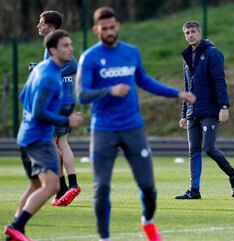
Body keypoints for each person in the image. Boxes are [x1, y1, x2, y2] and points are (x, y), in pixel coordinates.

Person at [76, 7, 196, 241]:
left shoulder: (131, 53)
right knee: (101, 188)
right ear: (96, 30)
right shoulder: (89, 57)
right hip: (104, 130)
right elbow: (81, 94)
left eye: (112, 27)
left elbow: (145, 81)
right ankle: (104, 237)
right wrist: (110, 90)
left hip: (133, 127)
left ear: (118, 26)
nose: (109, 32)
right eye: (104, 28)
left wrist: (177, 93)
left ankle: (147, 221)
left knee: (148, 187)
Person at [4, 30, 83, 241]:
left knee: (36, 185)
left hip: (27, 134)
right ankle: (16, 226)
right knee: (52, 185)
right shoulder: (49, 77)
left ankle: (14, 231)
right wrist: (67, 120)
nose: (71, 49)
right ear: (52, 50)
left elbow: (23, 98)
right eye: (65, 46)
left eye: (70, 44)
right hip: (38, 138)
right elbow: (39, 112)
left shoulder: (39, 69)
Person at [175, 20, 234, 200]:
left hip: (210, 110)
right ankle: (194, 190)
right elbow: (187, 87)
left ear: (200, 33)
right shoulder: (187, 57)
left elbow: (219, 80)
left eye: (193, 31)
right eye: (187, 32)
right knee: (193, 151)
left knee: (209, 148)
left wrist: (224, 106)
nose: (190, 35)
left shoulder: (212, 53)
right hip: (192, 112)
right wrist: (184, 114)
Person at [37, 10, 81, 206]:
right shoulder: (60, 42)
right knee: (61, 142)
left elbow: (73, 65)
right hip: (67, 99)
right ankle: (67, 187)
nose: (38, 25)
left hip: (57, 101)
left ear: (51, 27)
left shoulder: (53, 42)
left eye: (41, 22)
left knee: (52, 143)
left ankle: (66, 186)